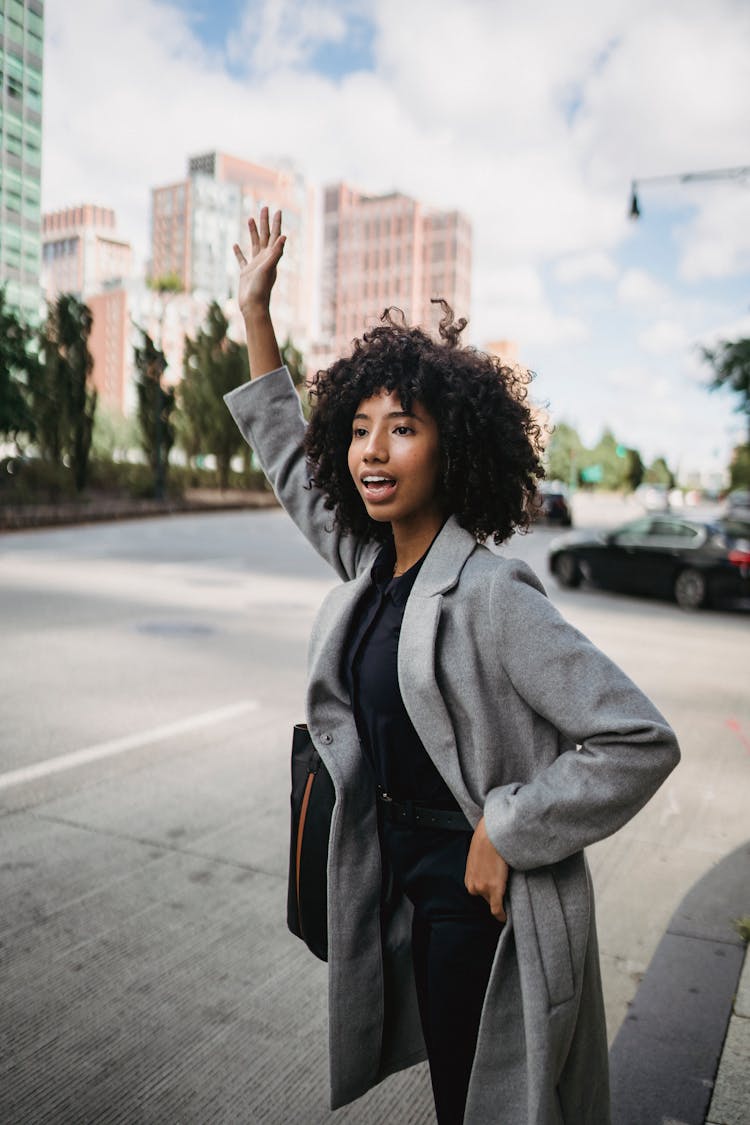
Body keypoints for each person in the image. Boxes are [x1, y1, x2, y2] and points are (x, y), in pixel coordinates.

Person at [224, 208, 680, 1125]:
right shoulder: (369, 571)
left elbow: (637, 738)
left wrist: (508, 826)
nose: (372, 451)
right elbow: (284, 457)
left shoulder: (491, 593)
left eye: (402, 429)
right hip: (404, 894)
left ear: (453, 447)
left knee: (492, 1106)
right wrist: (256, 316)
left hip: (483, 912)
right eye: (358, 429)